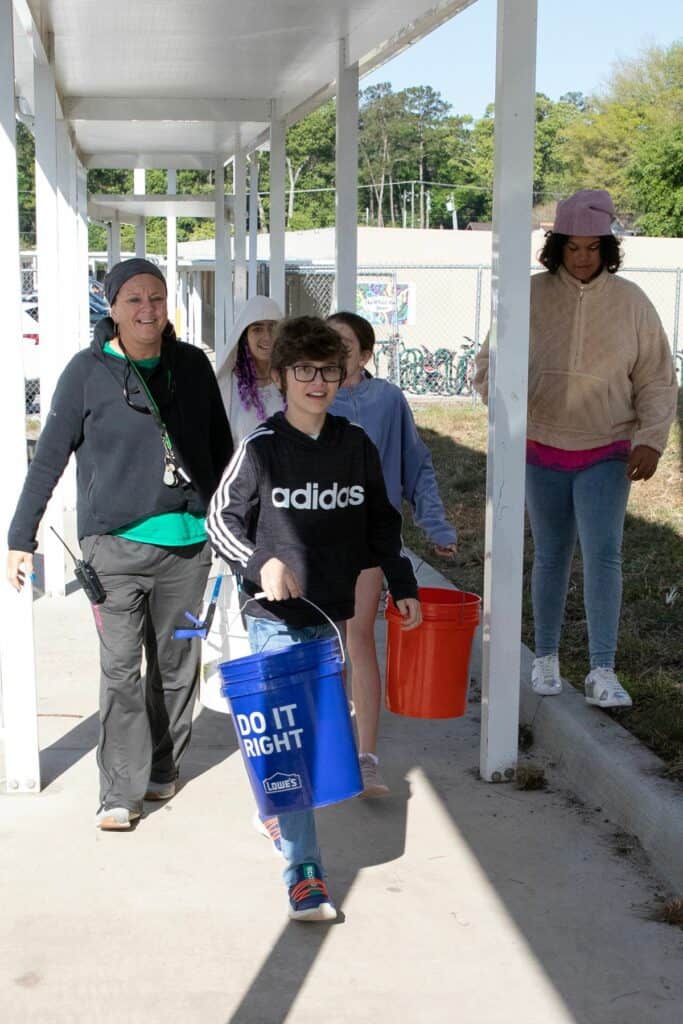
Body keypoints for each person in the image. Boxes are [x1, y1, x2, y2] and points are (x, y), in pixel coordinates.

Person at [206, 316, 421, 921]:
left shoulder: (355, 445)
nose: (318, 381)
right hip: (274, 616)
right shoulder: (262, 448)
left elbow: (382, 521)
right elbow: (219, 520)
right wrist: (261, 563)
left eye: (329, 370)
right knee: (293, 738)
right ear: (281, 377)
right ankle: (305, 872)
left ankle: (274, 805)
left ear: (344, 376)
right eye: (304, 370)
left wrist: (401, 586)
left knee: (319, 737)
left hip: (333, 612)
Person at [7, 258, 233, 830]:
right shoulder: (86, 372)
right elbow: (50, 457)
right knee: (120, 669)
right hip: (113, 552)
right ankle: (120, 792)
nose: (147, 309)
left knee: (179, 665)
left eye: (155, 297)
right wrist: (20, 537)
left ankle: (163, 766)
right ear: (111, 307)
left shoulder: (193, 367)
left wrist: (238, 528)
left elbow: (223, 454)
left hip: (188, 550)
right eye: (133, 299)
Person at [473, 189, 677, 708]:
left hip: (608, 446)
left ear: (608, 248)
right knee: (550, 554)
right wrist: (506, 420)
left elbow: (657, 377)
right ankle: (545, 658)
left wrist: (651, 439)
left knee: (603, 554)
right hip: (541, 446)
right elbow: (490, 363)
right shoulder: (530, 295)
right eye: (572, 247)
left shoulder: (632, 301)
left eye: (593, 247)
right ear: (557, 247)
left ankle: (602, 669)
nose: (583, 257)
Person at [326, 312, 457, 796]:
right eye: (327, 344)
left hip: (368, 541)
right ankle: (331, 748)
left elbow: (417, 464)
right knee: (325, 645)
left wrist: (436, 524)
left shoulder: (387, 400)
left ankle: (366, 758)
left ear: (365, 353)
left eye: (344, 345)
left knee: (357, 637)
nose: (335, 355)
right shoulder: (310, 395)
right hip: (315, 538)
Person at [216, 294, 284, 440]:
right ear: (244, 335)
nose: (267, 337)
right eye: (257, 329)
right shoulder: (226, 385)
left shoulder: (293, 380)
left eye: (272, 328)